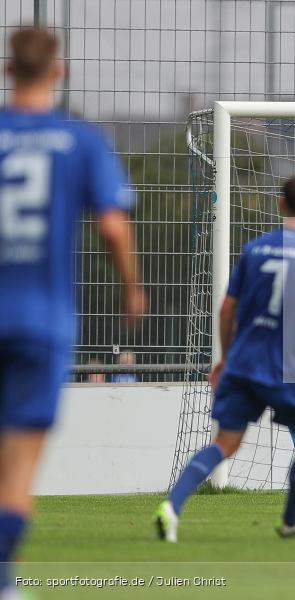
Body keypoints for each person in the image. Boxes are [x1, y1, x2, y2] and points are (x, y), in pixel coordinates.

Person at [0, 27, 145, 597]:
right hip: (41, 320)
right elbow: (112, 223)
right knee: (18, 462)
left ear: (9, 70)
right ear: (58, 73)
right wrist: (133, 287)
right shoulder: (78, 139)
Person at [156, 172, 295, 541]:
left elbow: (227, 309)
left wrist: (223, 359)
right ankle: (292, 519)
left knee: (224, 443)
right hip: (284, 368)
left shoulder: (254, 249)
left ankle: (171, 507)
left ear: (281, 204)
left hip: (241, 362)